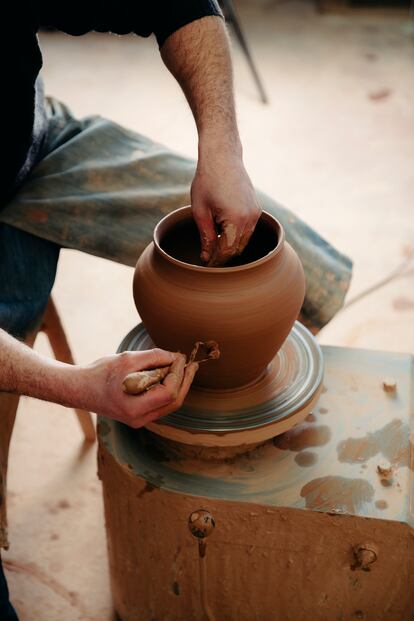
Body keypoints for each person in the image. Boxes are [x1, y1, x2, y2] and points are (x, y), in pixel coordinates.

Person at [0, 3, 263, 618]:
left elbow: (179, 0)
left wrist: (222, 147)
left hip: (33, 144)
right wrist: (76, 385)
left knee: (301, 267)